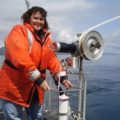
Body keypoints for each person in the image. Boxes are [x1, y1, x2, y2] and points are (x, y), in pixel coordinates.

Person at [0, 6, 73, 120]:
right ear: (28, 18)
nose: (38, 21)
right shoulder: (19, 31)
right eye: (35, 18)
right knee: (12, 117)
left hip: (36, 88)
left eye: (41, 19)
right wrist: (39, 79)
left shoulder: (47, 38)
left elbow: (52, 60)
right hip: (13, 86)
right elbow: (21, 59)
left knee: (36, 116)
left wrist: (62, 78)